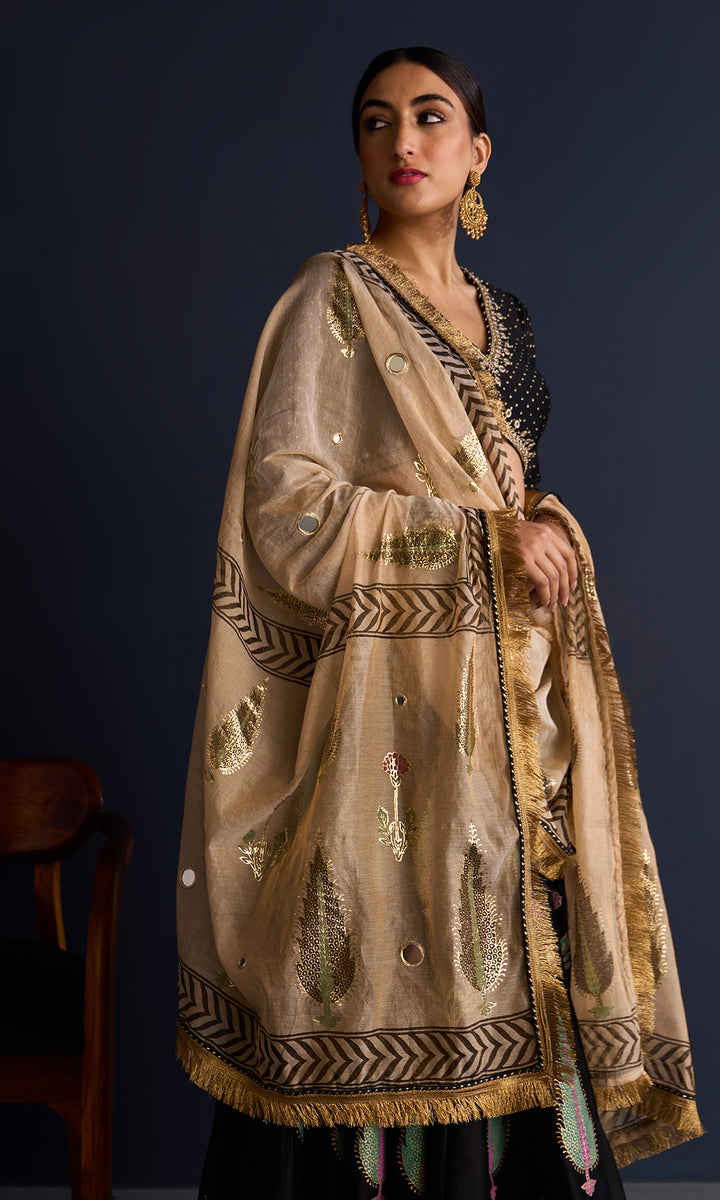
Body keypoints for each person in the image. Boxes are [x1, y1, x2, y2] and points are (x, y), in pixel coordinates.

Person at [176, 46, 702, 1198]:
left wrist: (541, 526)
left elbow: (513, 490)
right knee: (382, 967)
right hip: (388, 736)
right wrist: (480, 542)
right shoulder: (331, 299)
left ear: (478, 154)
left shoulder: (506, 320)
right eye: (377, 122)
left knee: (521, 959)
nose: (403, 141)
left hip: (513, 719)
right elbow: (286, 512)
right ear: (360, 155)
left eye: (429, 117)